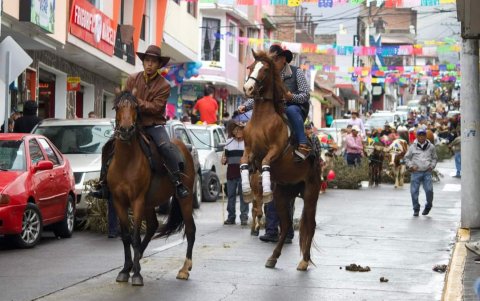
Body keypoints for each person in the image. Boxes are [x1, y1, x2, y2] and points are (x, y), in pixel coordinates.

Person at [90, 44, 189, 199]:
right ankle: (103, 184)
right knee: (108, 146)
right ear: (143, 62)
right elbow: (123, 99)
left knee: (166, 147)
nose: (149, 64)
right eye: (147, 60)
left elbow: (156, 108)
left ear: (159, 65)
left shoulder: (164, 85)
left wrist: (136, 102)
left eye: (153, 61)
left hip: (153, 125)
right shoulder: (132, 79)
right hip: (132, 124)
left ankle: (177, 182)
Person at [238, 44, 311, 161]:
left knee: (291, 110)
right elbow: (260, 96)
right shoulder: (269, 75)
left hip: (295, 107)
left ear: (283, 59)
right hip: (275, 108)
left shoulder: (296, 72)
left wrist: (291, 97)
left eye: (275, 59)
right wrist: (245, 106)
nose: (273, 62)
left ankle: (303, 144)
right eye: (271, 60)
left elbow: (306, 95)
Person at [404, 128, 437, 217]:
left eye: (423, 135)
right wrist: (411, 166)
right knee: (414, 192)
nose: (421, 137)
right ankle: (416, 209)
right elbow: (406, 158)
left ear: (426, 136)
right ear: (417, 136)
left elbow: (434, 158)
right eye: (420, 135)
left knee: (429, 190)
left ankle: (428, 206)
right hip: (416, 172)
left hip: (427, 172)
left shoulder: (431, 147)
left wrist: (432, 166)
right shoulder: (412, 147)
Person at [222, 120, 249, 226]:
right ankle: (231, 217)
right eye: (235, 130)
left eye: (240, 129)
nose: (238, 131)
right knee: (231, 195)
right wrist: (224, 159)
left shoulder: (247, 142)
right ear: (232, 131)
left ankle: (244, 217)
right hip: (231, 173)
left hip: (243, 173)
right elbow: (225, 158)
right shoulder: (228, 142)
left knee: (244, 195)